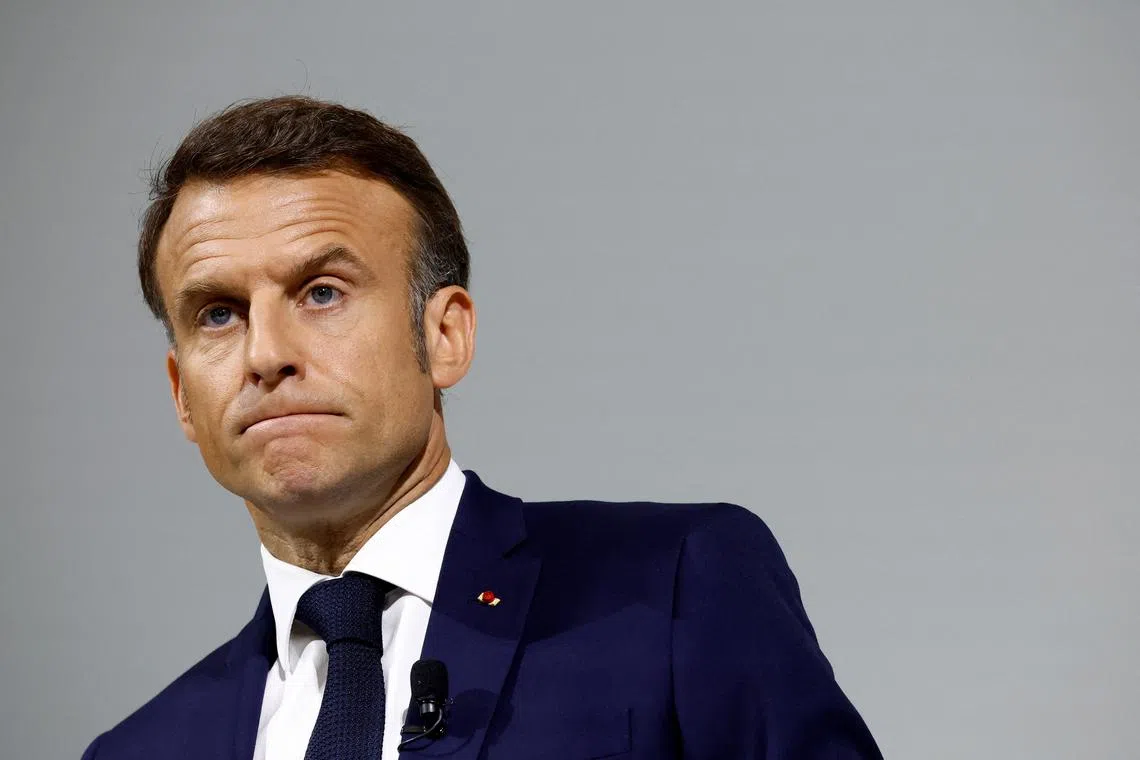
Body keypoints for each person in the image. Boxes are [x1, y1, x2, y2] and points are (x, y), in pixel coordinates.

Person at [81, 96, 882, 760]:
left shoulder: (676, 592)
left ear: (445, 336)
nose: (265, 354)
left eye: (322, 292)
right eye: (219, 313)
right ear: (183, 395)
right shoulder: (138, 750)